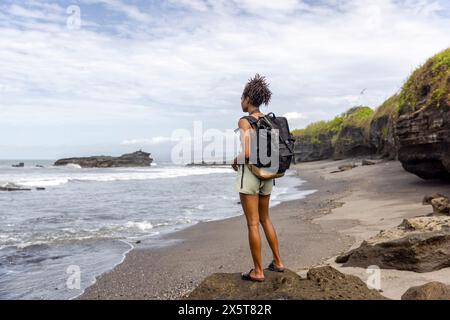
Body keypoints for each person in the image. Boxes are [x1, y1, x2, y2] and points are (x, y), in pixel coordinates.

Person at [232, 74, 285, 283]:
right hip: (268, 174)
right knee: (265, 219)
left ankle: (258, 271)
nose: (240, 102)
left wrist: (235, 160)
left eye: (241, 98)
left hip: (251, 174)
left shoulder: (244, 121)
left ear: (247, 98)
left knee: (252, 224)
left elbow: (246, 152)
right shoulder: (269, 120)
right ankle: (278, 262)